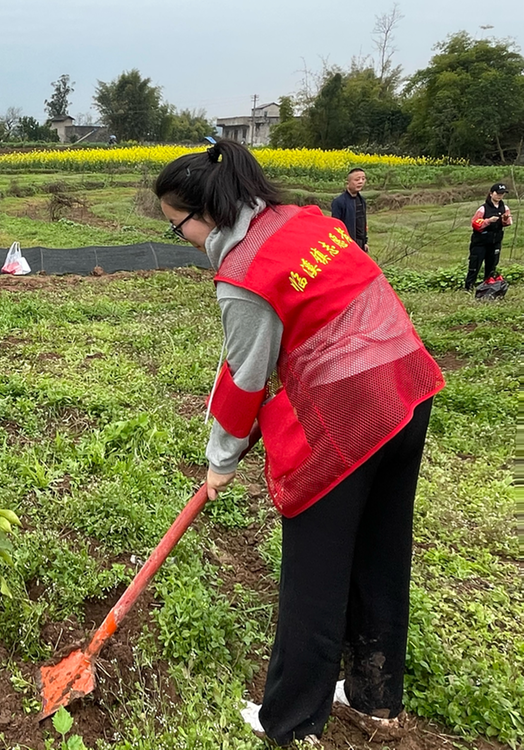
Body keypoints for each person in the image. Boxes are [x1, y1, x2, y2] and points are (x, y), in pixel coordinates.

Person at [154, 139, 444, 746]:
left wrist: (219, 461)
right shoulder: (305, 220)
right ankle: (373, 697)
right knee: (380, 552)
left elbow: (245, 377)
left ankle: (288, 719)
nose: (181, 238)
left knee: (315, 572)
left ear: (200, 212)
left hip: (348, 416)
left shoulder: (243, 276)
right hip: (406, 386)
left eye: (175, 224)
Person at [464, 183, 512, 291]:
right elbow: (475, 224)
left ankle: (488, 287)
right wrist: (488, 221)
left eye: (502, 194)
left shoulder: (505, 208)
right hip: (480, 241)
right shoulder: (483, 209)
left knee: (492, 266)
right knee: (475, 265)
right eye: (498, 193)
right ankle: (468, 288)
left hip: (495, 241)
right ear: (491, 194)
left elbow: (508, 223)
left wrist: (505, 219)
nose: (500, 196)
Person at [330, 168, 369, 251]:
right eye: (357, 179)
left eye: (363, 179)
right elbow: (335, 226)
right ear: (347, 183)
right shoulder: (339, 202)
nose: (361, 182)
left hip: (359, 243)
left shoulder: (362, 201)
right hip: (346, 243)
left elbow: (362, 222)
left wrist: (364, 242)